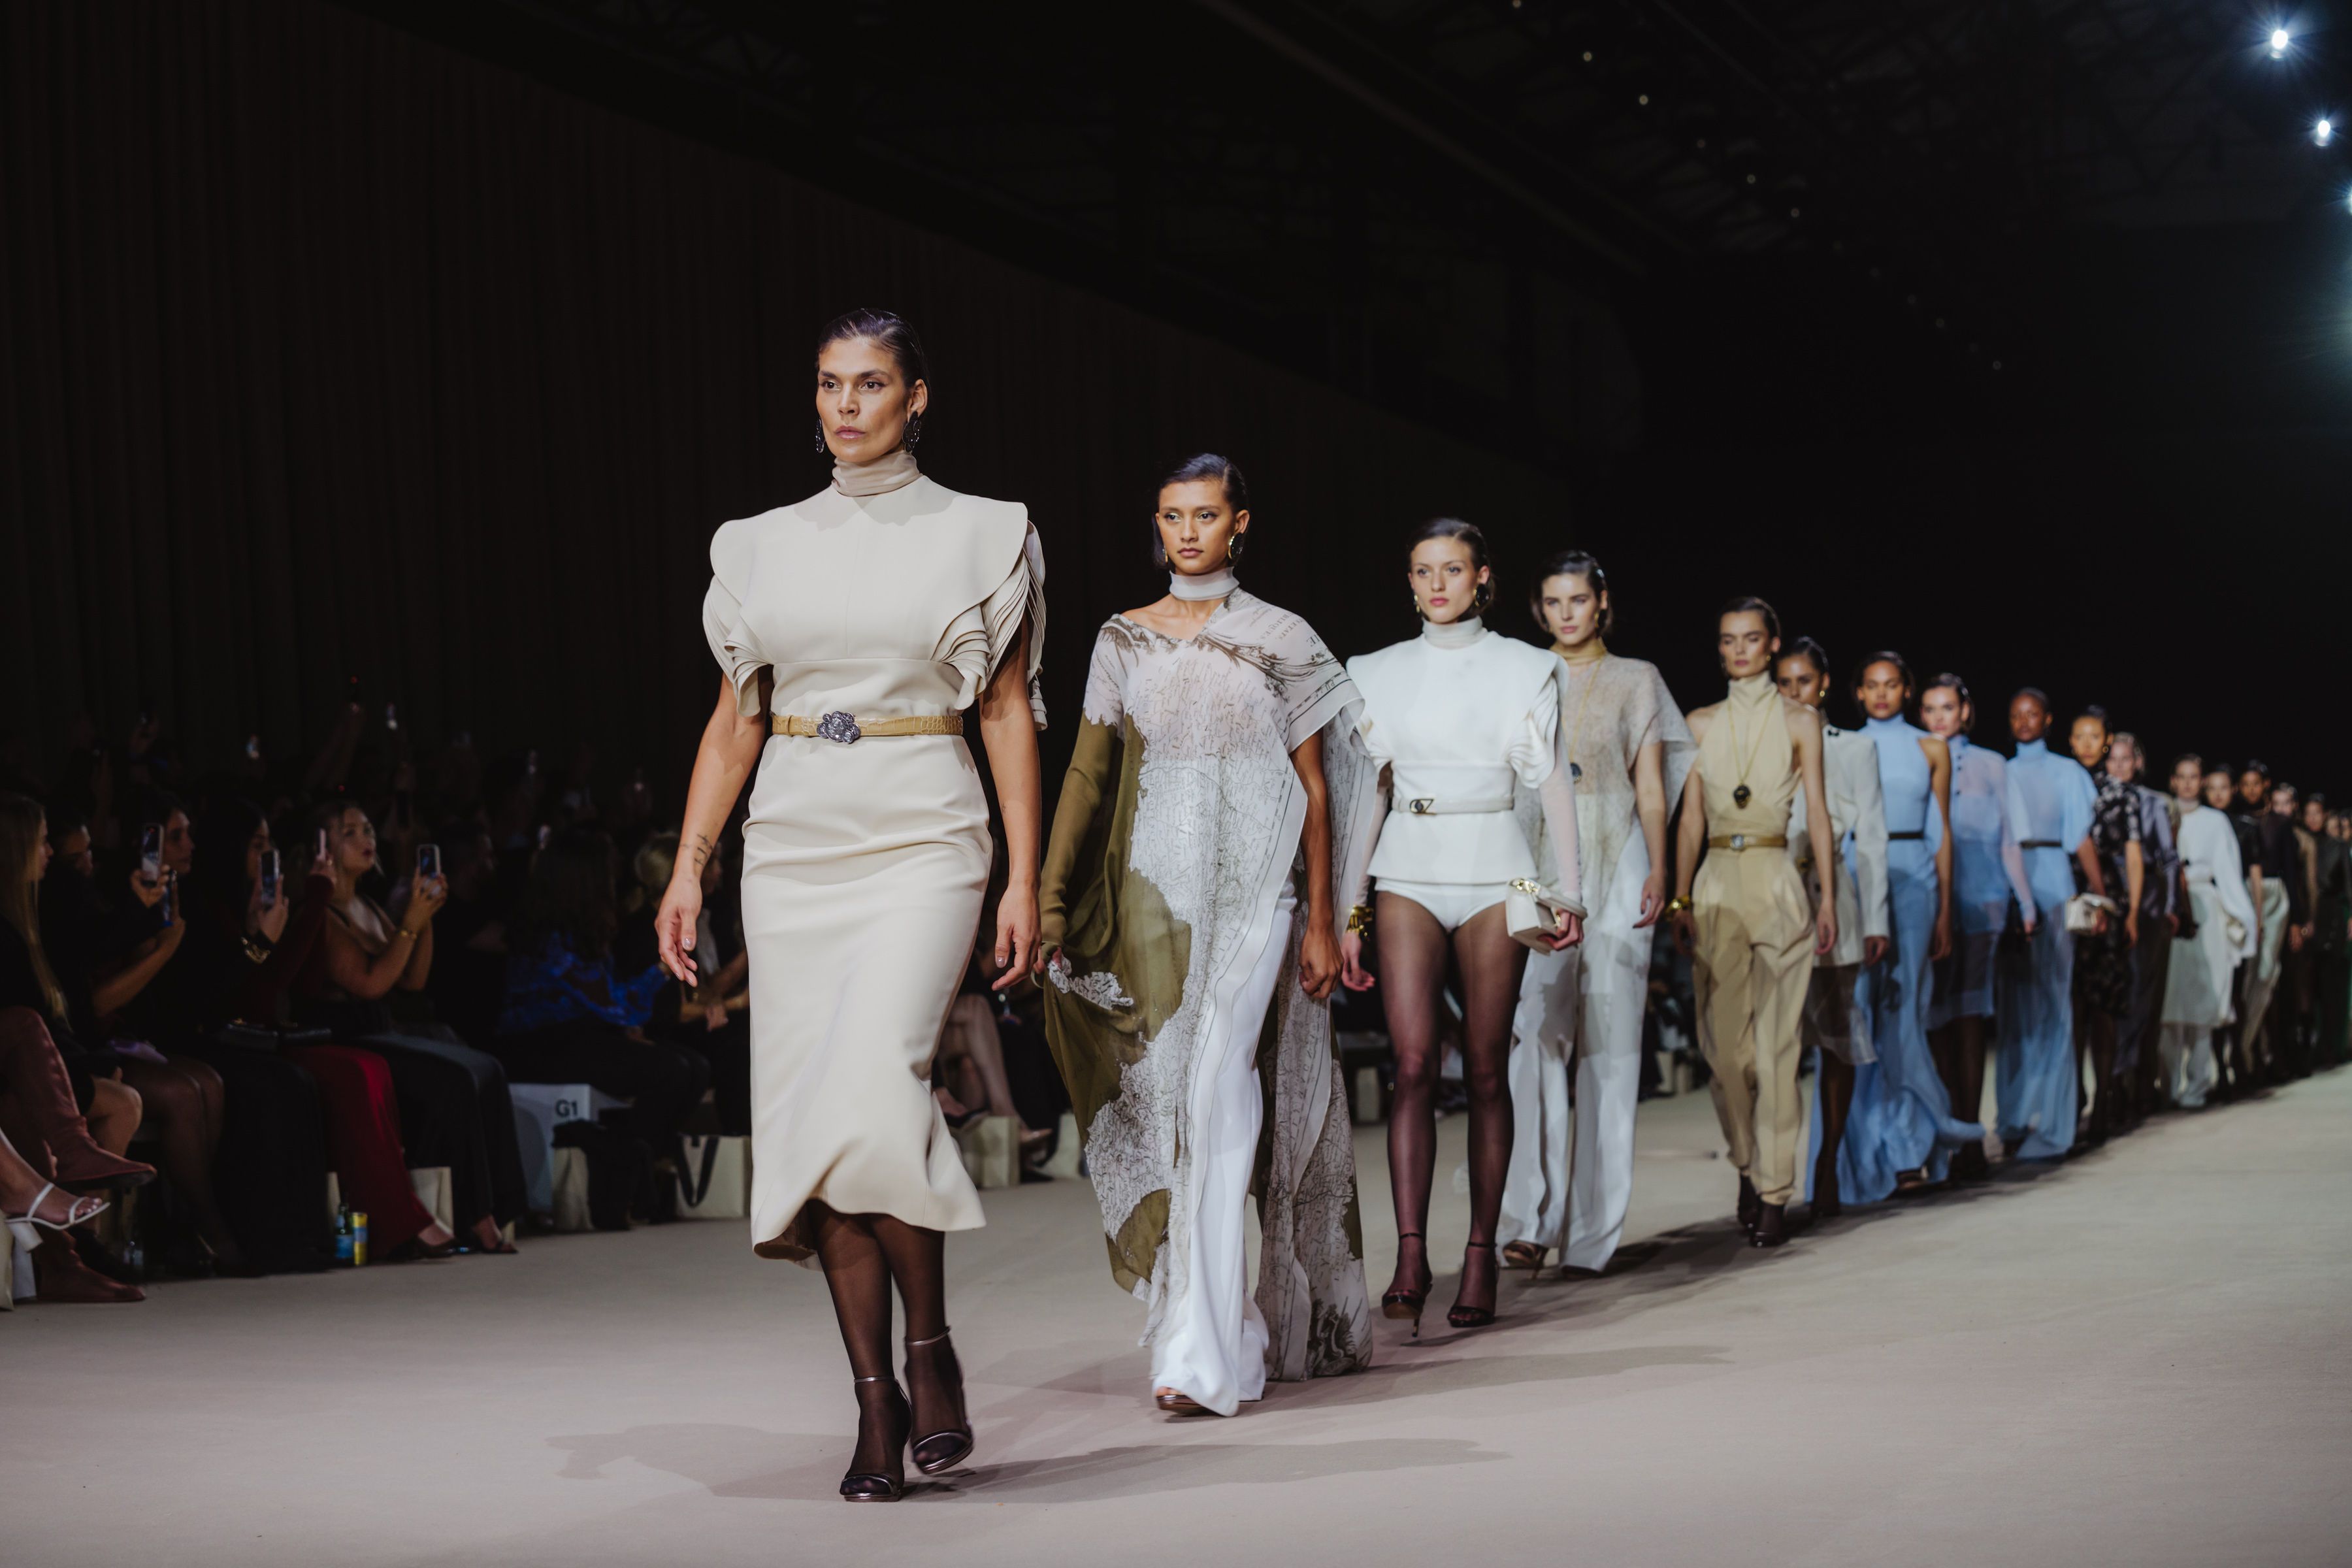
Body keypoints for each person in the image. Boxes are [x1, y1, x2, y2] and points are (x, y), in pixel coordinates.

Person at [655, 309, 1045, 1501]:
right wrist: (689, 865)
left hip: (925, 826)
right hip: (793, 841)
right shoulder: (757, 544)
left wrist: (1025, 876)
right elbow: (733, 724)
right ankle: (878, 1401)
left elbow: (1006, 712)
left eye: (870, 384)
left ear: (916, 398)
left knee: (875, 1083)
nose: (845, 405)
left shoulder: (984, 531)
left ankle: (930, 1351)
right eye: (829, 384)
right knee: (814, 1117)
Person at [1039, 453, 1373, 1416]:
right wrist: (1051, 900)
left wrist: (1325, 918)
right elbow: (1089, 776)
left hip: (1258, 888)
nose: (1188, 532)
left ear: (1240, 524)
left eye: (1206, 515)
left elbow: (1317, 788)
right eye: (1173, 516)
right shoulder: (1123, 638)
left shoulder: (1282, 637)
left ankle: (1199, 1353)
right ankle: (1229, 1326)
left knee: (1217, 1087)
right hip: (1152, 892)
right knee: (1169, 1103)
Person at [1343, 518, 1584, 1330]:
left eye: (1452, 570)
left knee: (1485, 1069)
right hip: (1408, 867)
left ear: (1482, 577)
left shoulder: (1526, 666)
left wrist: (1569, 894)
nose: (1437, 584)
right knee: (1412, 1064)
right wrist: (1349, 910)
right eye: (1423, 571)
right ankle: (1412, 1255)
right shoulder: (1375, 671)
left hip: (1496, 868)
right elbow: (1369, 794)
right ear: (1409, 581)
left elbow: (1552, 784)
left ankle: (1481, 1256)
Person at [1500, 551, 1691, 1273]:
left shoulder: (1637, 677)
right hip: (1536, 846)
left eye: (1578, 599)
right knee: (1534, 1031)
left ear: (1601, 601)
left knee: (1611, 1041)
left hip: (1620, 845)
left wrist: (1662, 870)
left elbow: (1652, 784)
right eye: (1553, 602)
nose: (1566, 613)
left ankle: (1592, 1233)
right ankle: (1531, 1216)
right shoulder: (1522, 673)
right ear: (1538, 608)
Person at [1668, 598, 1837, 1247]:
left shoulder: (1801, 720)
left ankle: (1774, 1191)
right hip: (1714, 879)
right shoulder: (1700, 722)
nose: (1739, 650)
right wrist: (1680, 898)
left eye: (1751, 638)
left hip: (1776, 875)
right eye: (1728, 640)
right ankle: (1747, 1161)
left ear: (1772, 645)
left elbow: (1817, 810)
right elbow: (1689, 818)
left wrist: (1827, 898)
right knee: (1724, 1054)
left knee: (1777, 1048)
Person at [295, 802, 525, 1254]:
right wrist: (410, 925)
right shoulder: (321, 913)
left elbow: (413, 980)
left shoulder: (366, 905)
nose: (366, 839)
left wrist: (424, 920)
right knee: (455, 1079)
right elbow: (371, 983)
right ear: (323, 847)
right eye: (349, 832)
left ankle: (500, 1207)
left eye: (367, 829)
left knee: (488, 1068)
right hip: (346, 1036)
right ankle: (475, 1214)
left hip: (384, 1030)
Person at [1840, 653, 1974, 1198]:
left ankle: (1909, 1148)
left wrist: (1944, 909)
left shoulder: (1931, 748)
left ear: (1906, 690)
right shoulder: (1842, 745)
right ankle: (1862, 1154)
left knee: (1908, 1012)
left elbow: (1942, 833)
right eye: (1871, 685)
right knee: (1859, 1012)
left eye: (1891, 684)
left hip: (1916, 879)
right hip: (1856, 876)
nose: (1880, 693)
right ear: (1857, 692)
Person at [497, 828, 711, 1154]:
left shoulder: (580, 931)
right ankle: (627, 1163)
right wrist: (663, 969)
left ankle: (643, 1159)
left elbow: (608, 1003)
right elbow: (615, 1004)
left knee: (695, 1067)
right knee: (671, 1071)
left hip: (581, 1036)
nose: (614, 880)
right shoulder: (551, 941)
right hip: (540, 1046)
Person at [1770, 637, 1887, 1218]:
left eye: (1805, 681)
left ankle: (1828, 1162)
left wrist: (1876, 919)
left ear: (1824, 684)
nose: (1795, 692)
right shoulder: (1761, 742)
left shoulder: (1855, 748)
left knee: (1838, 1035)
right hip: (1773, 891)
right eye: (1785, 682)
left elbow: (1873, 836)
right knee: (1777, 1042)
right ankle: (1771, 1175)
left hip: (1832, 893)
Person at [1919, 676, 2033, 1179]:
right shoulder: (1916, 755)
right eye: (1930, 709)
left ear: (1965, 711)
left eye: (1947, 707)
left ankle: (1970, 1134)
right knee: (1935, 1019)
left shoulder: (1993, 764)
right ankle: (1948, 1134)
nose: (1939, 717)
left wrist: (2025, 902)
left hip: (1983, 903)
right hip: (1929, 902)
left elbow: (2009, 838)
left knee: (1969, 1016)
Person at [1993, 689, 2100, 1162]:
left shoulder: (2067, 771)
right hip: (2009, 886)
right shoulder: (2001, 770)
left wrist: (2099, 895)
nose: (2023, 721)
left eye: (2032, 713)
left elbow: (2080, 837)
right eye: (2016, 714)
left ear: (2048, 719)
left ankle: (2057, 1121)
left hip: (2055, 883)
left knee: (2055, 1002)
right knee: (2014, 1007)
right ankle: (2014, 1118)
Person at [2160, 756, 2255, 1108]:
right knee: (2170, 1003)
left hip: (2205, 911)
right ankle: (2168, 1086)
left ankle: (2197, 1086)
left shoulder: (2216, 821)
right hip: (2170, 910)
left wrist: (2241, 918)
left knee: (2203, 1001)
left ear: (2200, 781)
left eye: (2194, 777)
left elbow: (2229, 871)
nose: (2187, 783)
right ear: (2173, 780)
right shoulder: (2162, 813)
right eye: (2181, 777)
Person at [2066, 708, 2137, 1147]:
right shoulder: (2063, 779)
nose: (2088, 744)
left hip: (2108, 898)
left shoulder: (2120, 793)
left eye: (2095, 736)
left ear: (2107, 741)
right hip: (2068, 896)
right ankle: (2074, 1094)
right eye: (2080, 736)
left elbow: (2132, 853)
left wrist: (2132, 912)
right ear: (2071, 741)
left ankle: (2105, 1096)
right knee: (2073, 1002)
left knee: (2104, 1005)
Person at [2108, 733, 2178, 1126]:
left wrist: (2169, 907)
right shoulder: (2099, 797)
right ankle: (2114, 1079)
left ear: (2138, 762)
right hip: (2109, 898)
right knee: (2113, 994)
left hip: (2147, 903)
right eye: (2113, 759)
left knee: (2139, 992)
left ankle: (2132, 1078)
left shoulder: (2153, 802)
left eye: (2126, 759)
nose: (2119, 766)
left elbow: (2168, 857)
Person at [2230, 762, 2301, 1086]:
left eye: (2256, 784)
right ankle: (2249, 1053)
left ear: (2266, 785)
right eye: (2245, 784)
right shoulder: (2233, 821)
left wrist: (2297, 920)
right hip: (2241, 894)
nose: (2250, 790)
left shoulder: (2281, 824)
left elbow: (2291, 872)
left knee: (2267, 973)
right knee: (2245, 976)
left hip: (2274, 897)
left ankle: (2255, 1048)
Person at [2302, 794, 2350, 1067]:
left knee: (2331, 986)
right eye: (2308, 813)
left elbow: (2348, 885)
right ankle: (2309, 1046)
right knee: (2308, 987)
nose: (2313, 818)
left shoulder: (2337, 846)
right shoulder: (2299, 842)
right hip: (2306, 916)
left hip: (2331, 917)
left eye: (2317, 813)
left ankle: (2331, 1047)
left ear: (2325, 815)